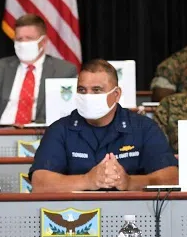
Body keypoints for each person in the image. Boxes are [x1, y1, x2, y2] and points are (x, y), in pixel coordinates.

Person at [31, 59, 178, 192]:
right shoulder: (60, 129)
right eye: (82, 90)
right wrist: (87, 180)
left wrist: (129, 182)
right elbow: (40, 182)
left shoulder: (144, 128)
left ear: (116, 94)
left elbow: (170, 178)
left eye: (97, 90)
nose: (88, 96)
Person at [0, 13, 78, 126]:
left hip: (41, 135)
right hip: (1, 132)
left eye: (29, 38)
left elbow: (67, 114)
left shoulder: (64, 71)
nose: (23, 43)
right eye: (19, 39)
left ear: (43, 42)